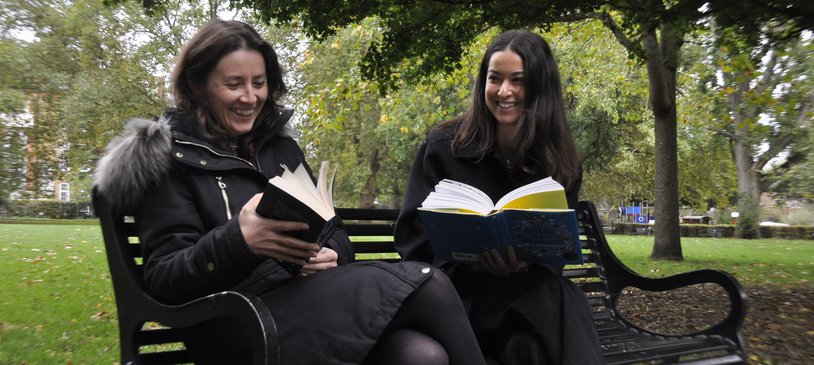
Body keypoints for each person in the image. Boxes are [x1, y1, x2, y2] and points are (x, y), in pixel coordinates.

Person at [93, 19, 486, 365]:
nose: (250, 97)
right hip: (238, 323)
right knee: (429, 282)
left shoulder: (278, 148)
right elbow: (163, 278)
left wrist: (331, 255)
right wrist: (241, 241)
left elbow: (333, 231)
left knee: (419, 355)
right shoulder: (170, 158)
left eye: (259, 83)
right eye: (234, 85)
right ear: (197, 85)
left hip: (307, 303)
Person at [395, 30, 605, 365]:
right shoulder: (442, 149)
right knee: (563, 296)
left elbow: (557, 253)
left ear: (540, 87)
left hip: (526, 302)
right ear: (483, 84)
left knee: (528, 347)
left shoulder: (560, 163)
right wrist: (476, 262)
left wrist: (525, 260)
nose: (504, 91)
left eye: (518, 80)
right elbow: (412, 247)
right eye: (495, 79)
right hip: (457, 302)